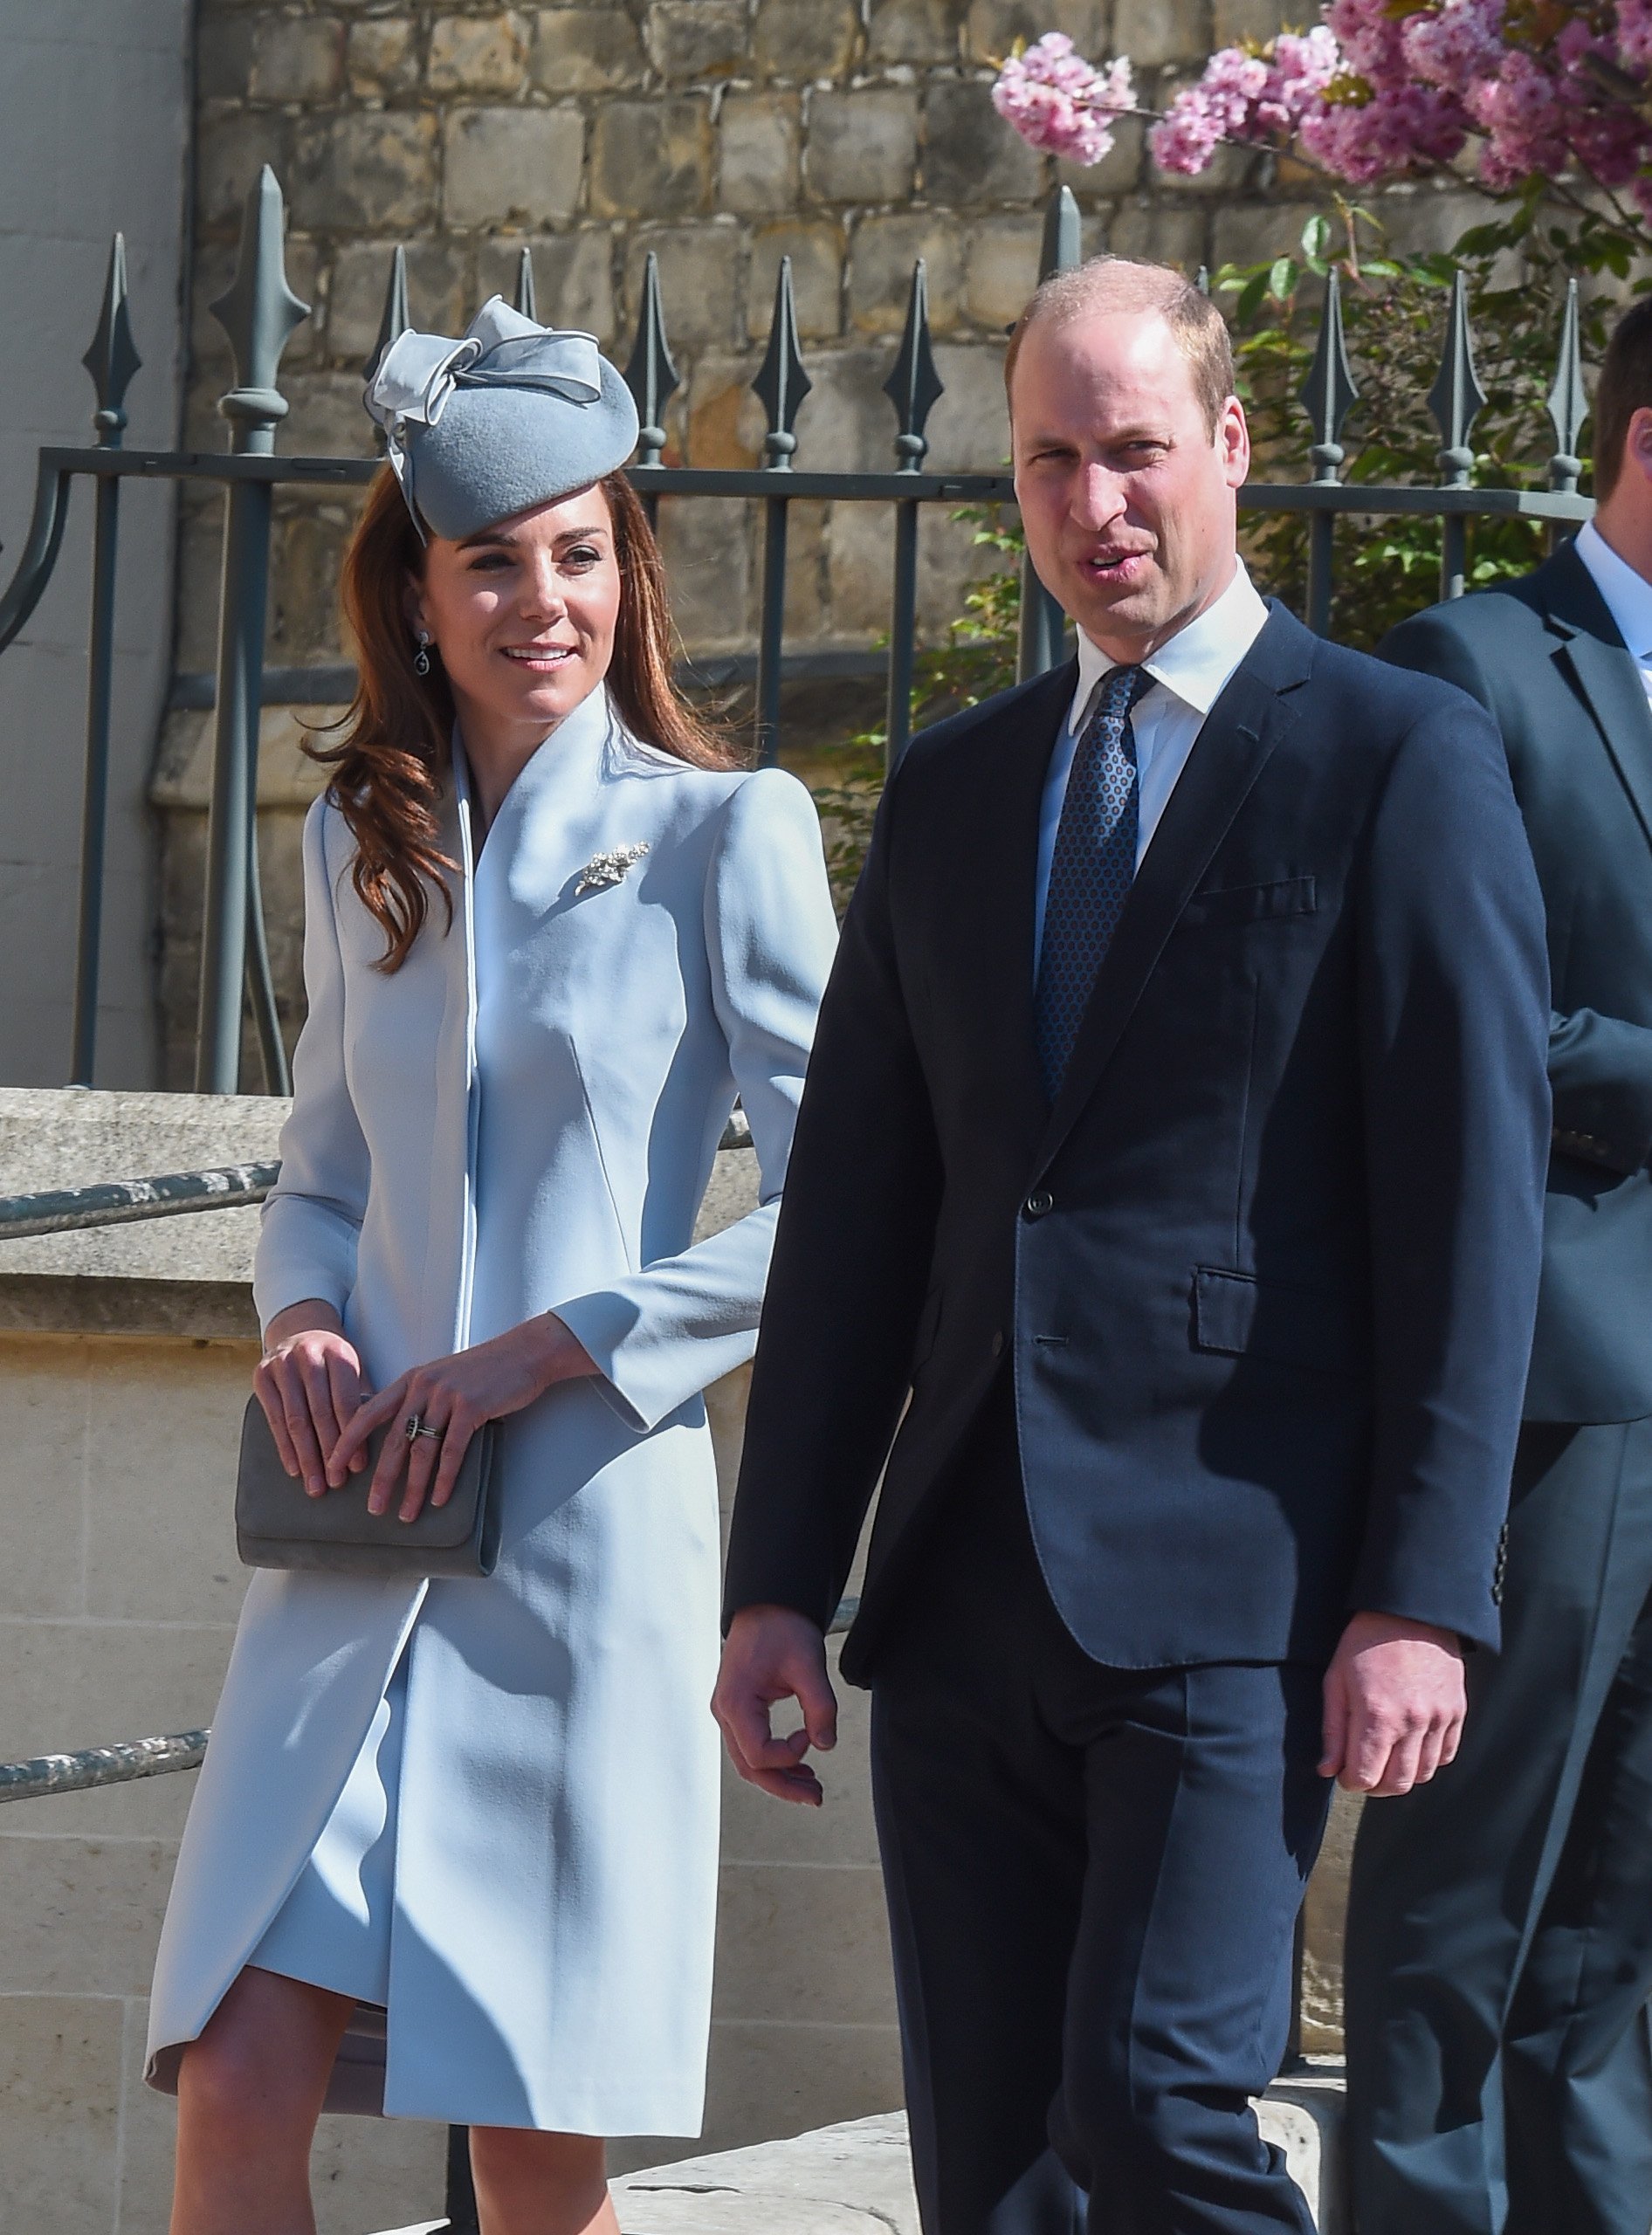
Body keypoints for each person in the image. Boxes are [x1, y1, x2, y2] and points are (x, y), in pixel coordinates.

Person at [712, 257, 1552, 2235]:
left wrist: (1420, 1586)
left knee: (1157, 2100)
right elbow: (853, 1224)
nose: (1098, 504)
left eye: (1138, 452)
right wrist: (777, 1580)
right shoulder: (949, 792)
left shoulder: (1392, 758)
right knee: (989, 2167)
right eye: (1052, 461)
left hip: (1230, 1589)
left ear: (1231, 450)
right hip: (957, 1591)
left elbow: (1471, 1199)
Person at [145, 300, 837, 2235]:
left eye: (581, 552)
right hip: (358, 1549)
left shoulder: (729, 832)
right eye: (495, 563)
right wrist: (294, 1313)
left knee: (537, 2167)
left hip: (574, 1554)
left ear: (627, 566)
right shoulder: (356, 844)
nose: (547, 600)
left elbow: (846, 1204)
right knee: (237, 2078)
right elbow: (319, 1173)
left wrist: (550, 1348)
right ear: (421, 594)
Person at [1344, 297, 1652, 2235]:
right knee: (1457, 1937)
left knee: (1613, 1960)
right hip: (1551, 1399)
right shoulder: (1467, 665)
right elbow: (1455, 1027)